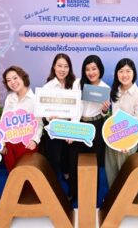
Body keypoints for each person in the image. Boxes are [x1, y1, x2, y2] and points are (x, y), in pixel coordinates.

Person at [69, 55, 110, 201]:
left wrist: (105, 110)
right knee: (74, 160)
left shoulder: (105, 88)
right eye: (87, 69)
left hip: (96, 126)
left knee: (94, 161)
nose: (91, 72)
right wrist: (72, 131)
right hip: (79, 124)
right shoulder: (78, 83)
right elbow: (75, 107)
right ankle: (74, 192)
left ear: (100, 69)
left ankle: (92, 192)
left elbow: (104, 113)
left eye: (94, 68)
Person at [105, 58, 138, 187]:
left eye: (128, 71)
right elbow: (110, 116)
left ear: (133, 73)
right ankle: (112, 198)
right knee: (111, 171)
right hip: (112, 138)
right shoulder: (114, 91)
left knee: (126, 173)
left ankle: (124, 200)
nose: (124, 75)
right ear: (116, 74)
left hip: (128, 142)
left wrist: (127, 143)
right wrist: (104, 110)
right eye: (121, 71)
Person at [42, 53, 78, 181]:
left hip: (70, 128)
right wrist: (48, 117)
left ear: (70, 68)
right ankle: (54, 186)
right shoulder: (47, 87)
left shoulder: (75, 84)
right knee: (55, 159)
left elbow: (78, 107)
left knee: (69, 159)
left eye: (66, 66)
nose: (62, 70)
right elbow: (43, 112)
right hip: (55, 128)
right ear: (54, 67)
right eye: (59, 66)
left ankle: (68, 179)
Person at [1, 66, 41, 172]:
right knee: (13, 175)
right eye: (8, 80)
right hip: (10, 145)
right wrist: (2, 142)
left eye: (15, 78)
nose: (12, 82)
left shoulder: (35, 99)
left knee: (29, 175)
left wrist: (35, 141)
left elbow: (39, 124)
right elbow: (4, 121)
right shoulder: (10, 98)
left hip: (27, 144)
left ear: (22, 77)